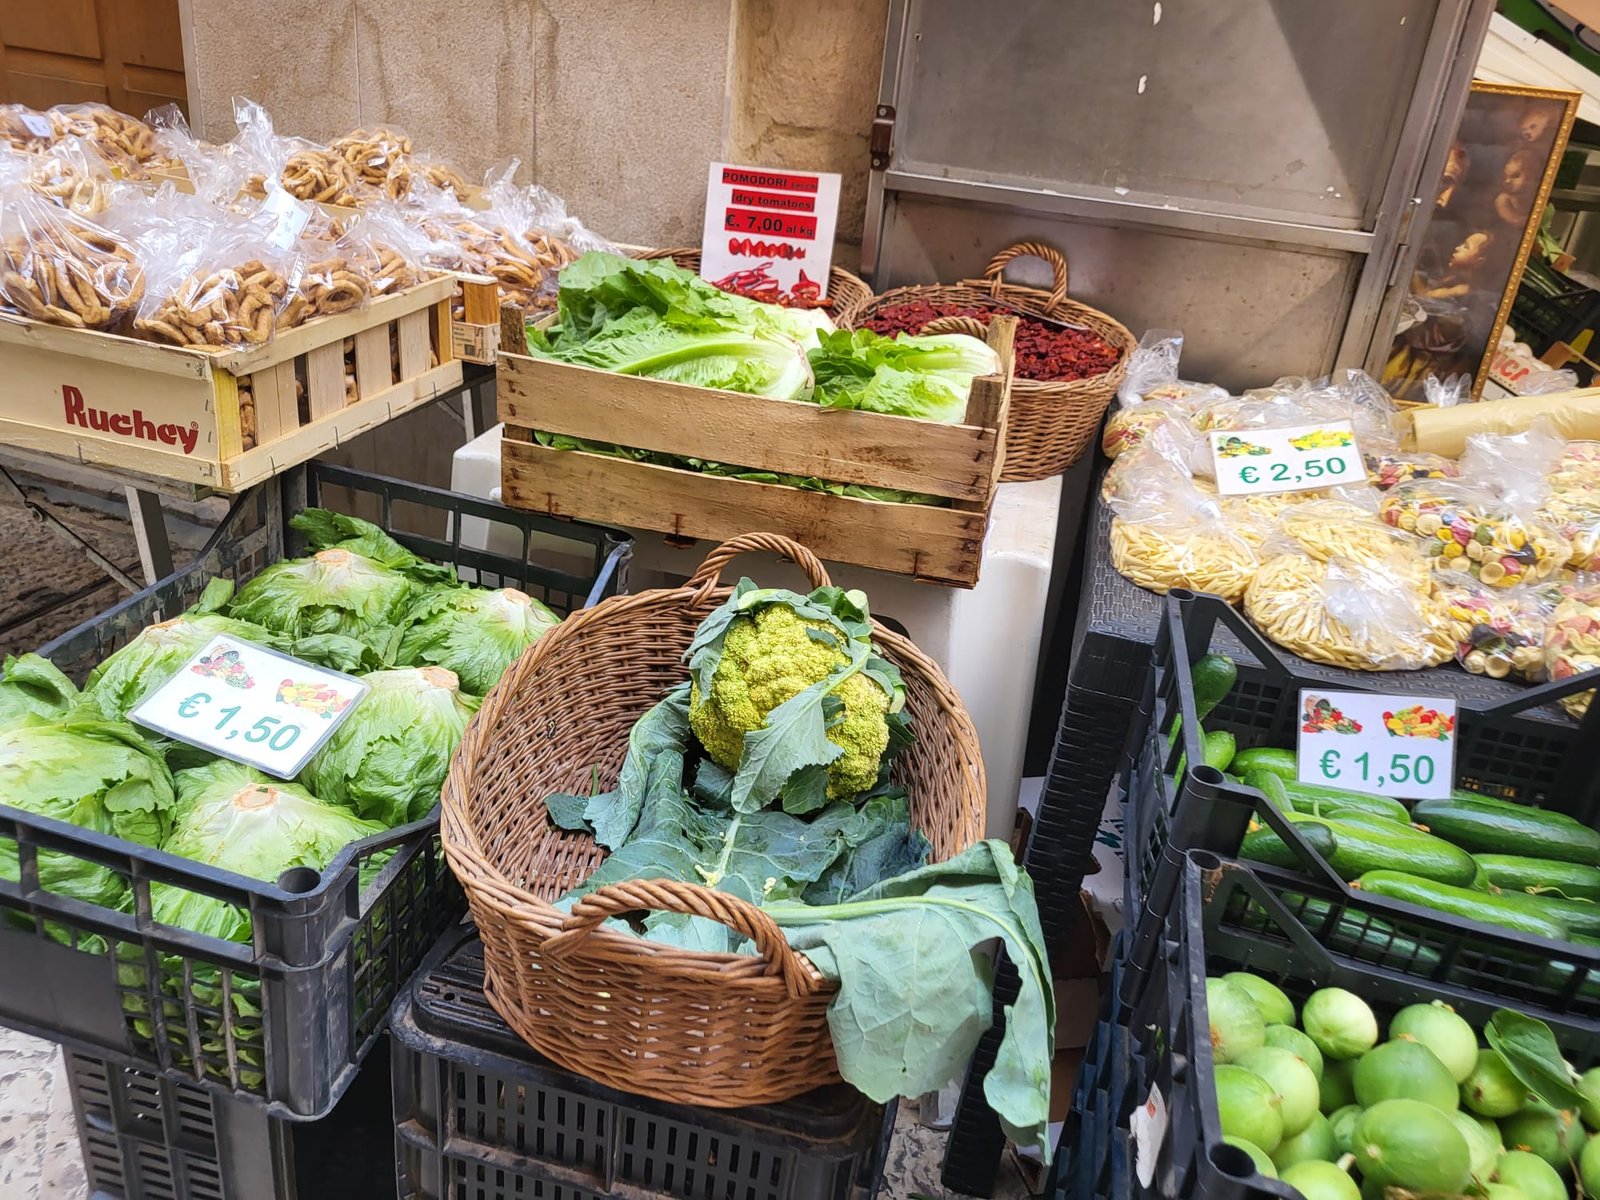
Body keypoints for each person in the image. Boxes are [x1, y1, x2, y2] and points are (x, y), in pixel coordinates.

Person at [1495, 148, 1543, 225]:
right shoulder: (1504, 200)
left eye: (1515, 176)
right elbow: (1517, 222)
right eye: (1505, 177)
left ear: (1532, 176)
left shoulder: (1535, 195)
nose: (1507, 181)